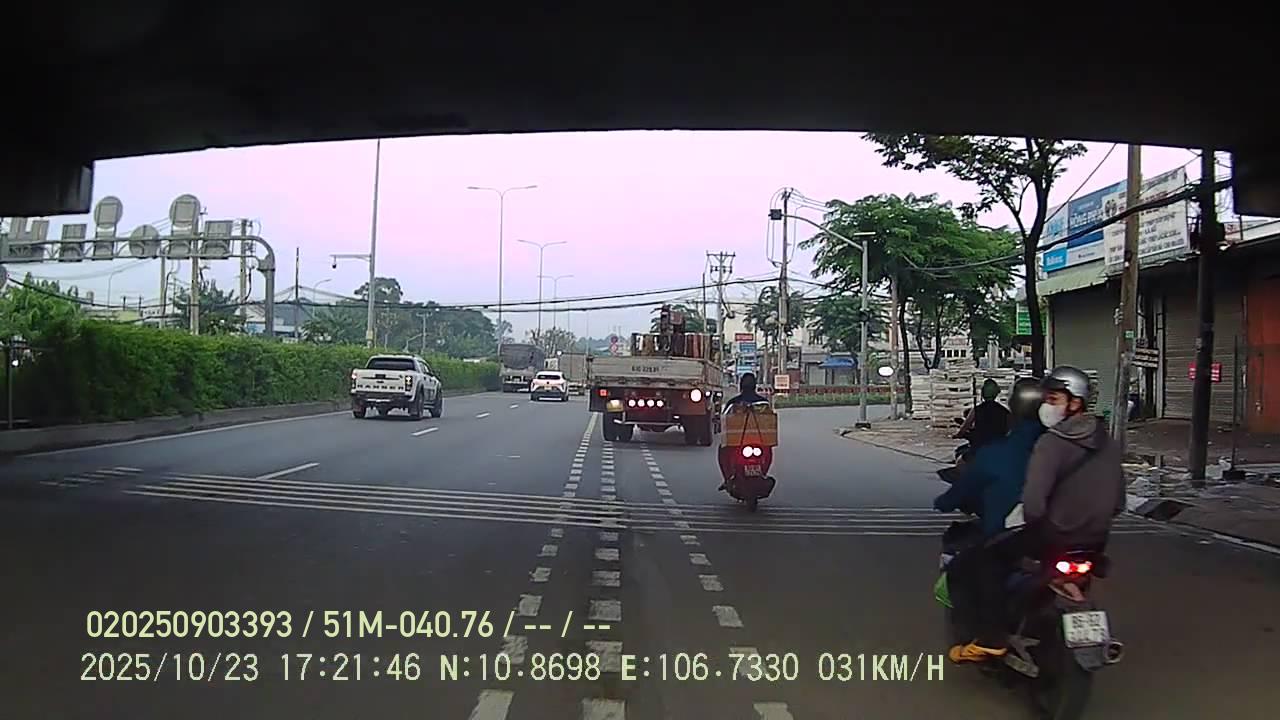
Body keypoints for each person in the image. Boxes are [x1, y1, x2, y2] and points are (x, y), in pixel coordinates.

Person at [947, 366, 1126, 664]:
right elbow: (1119, 501)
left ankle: (991, 638)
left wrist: (1035, 522)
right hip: (1095, 541)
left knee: (979, 561)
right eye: (1047, 399)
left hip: (1052, 536)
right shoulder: (1109, 443)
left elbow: (1033, 502)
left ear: (1075, 403)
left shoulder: (1052, 443)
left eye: (1054, 399)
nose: (1047, 406)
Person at [934, 377, 1044, 658]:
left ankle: (989, 637)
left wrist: (945, 501)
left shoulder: (998, 450)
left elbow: (965, 485)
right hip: (1065, 534)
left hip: (1014, 531)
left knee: (967, 565)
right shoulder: (1061, 446)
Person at [718, 372, 771, 489]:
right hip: (759, 440)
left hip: (738, 441)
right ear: (755, 386)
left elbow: (724, 420)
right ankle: (764, 473)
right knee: (768, 450)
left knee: (722, 450)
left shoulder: (733, 403)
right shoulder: (763, 403)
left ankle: (727, 479)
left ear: (741, 386)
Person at [954, 379, 1011, 456]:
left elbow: (963, 429)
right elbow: (1009, 431)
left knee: (959, 452)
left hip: (979, 447)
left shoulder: (976, 410)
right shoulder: (1005, 411)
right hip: (999, 448)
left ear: (983, 394)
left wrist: (958, 435)